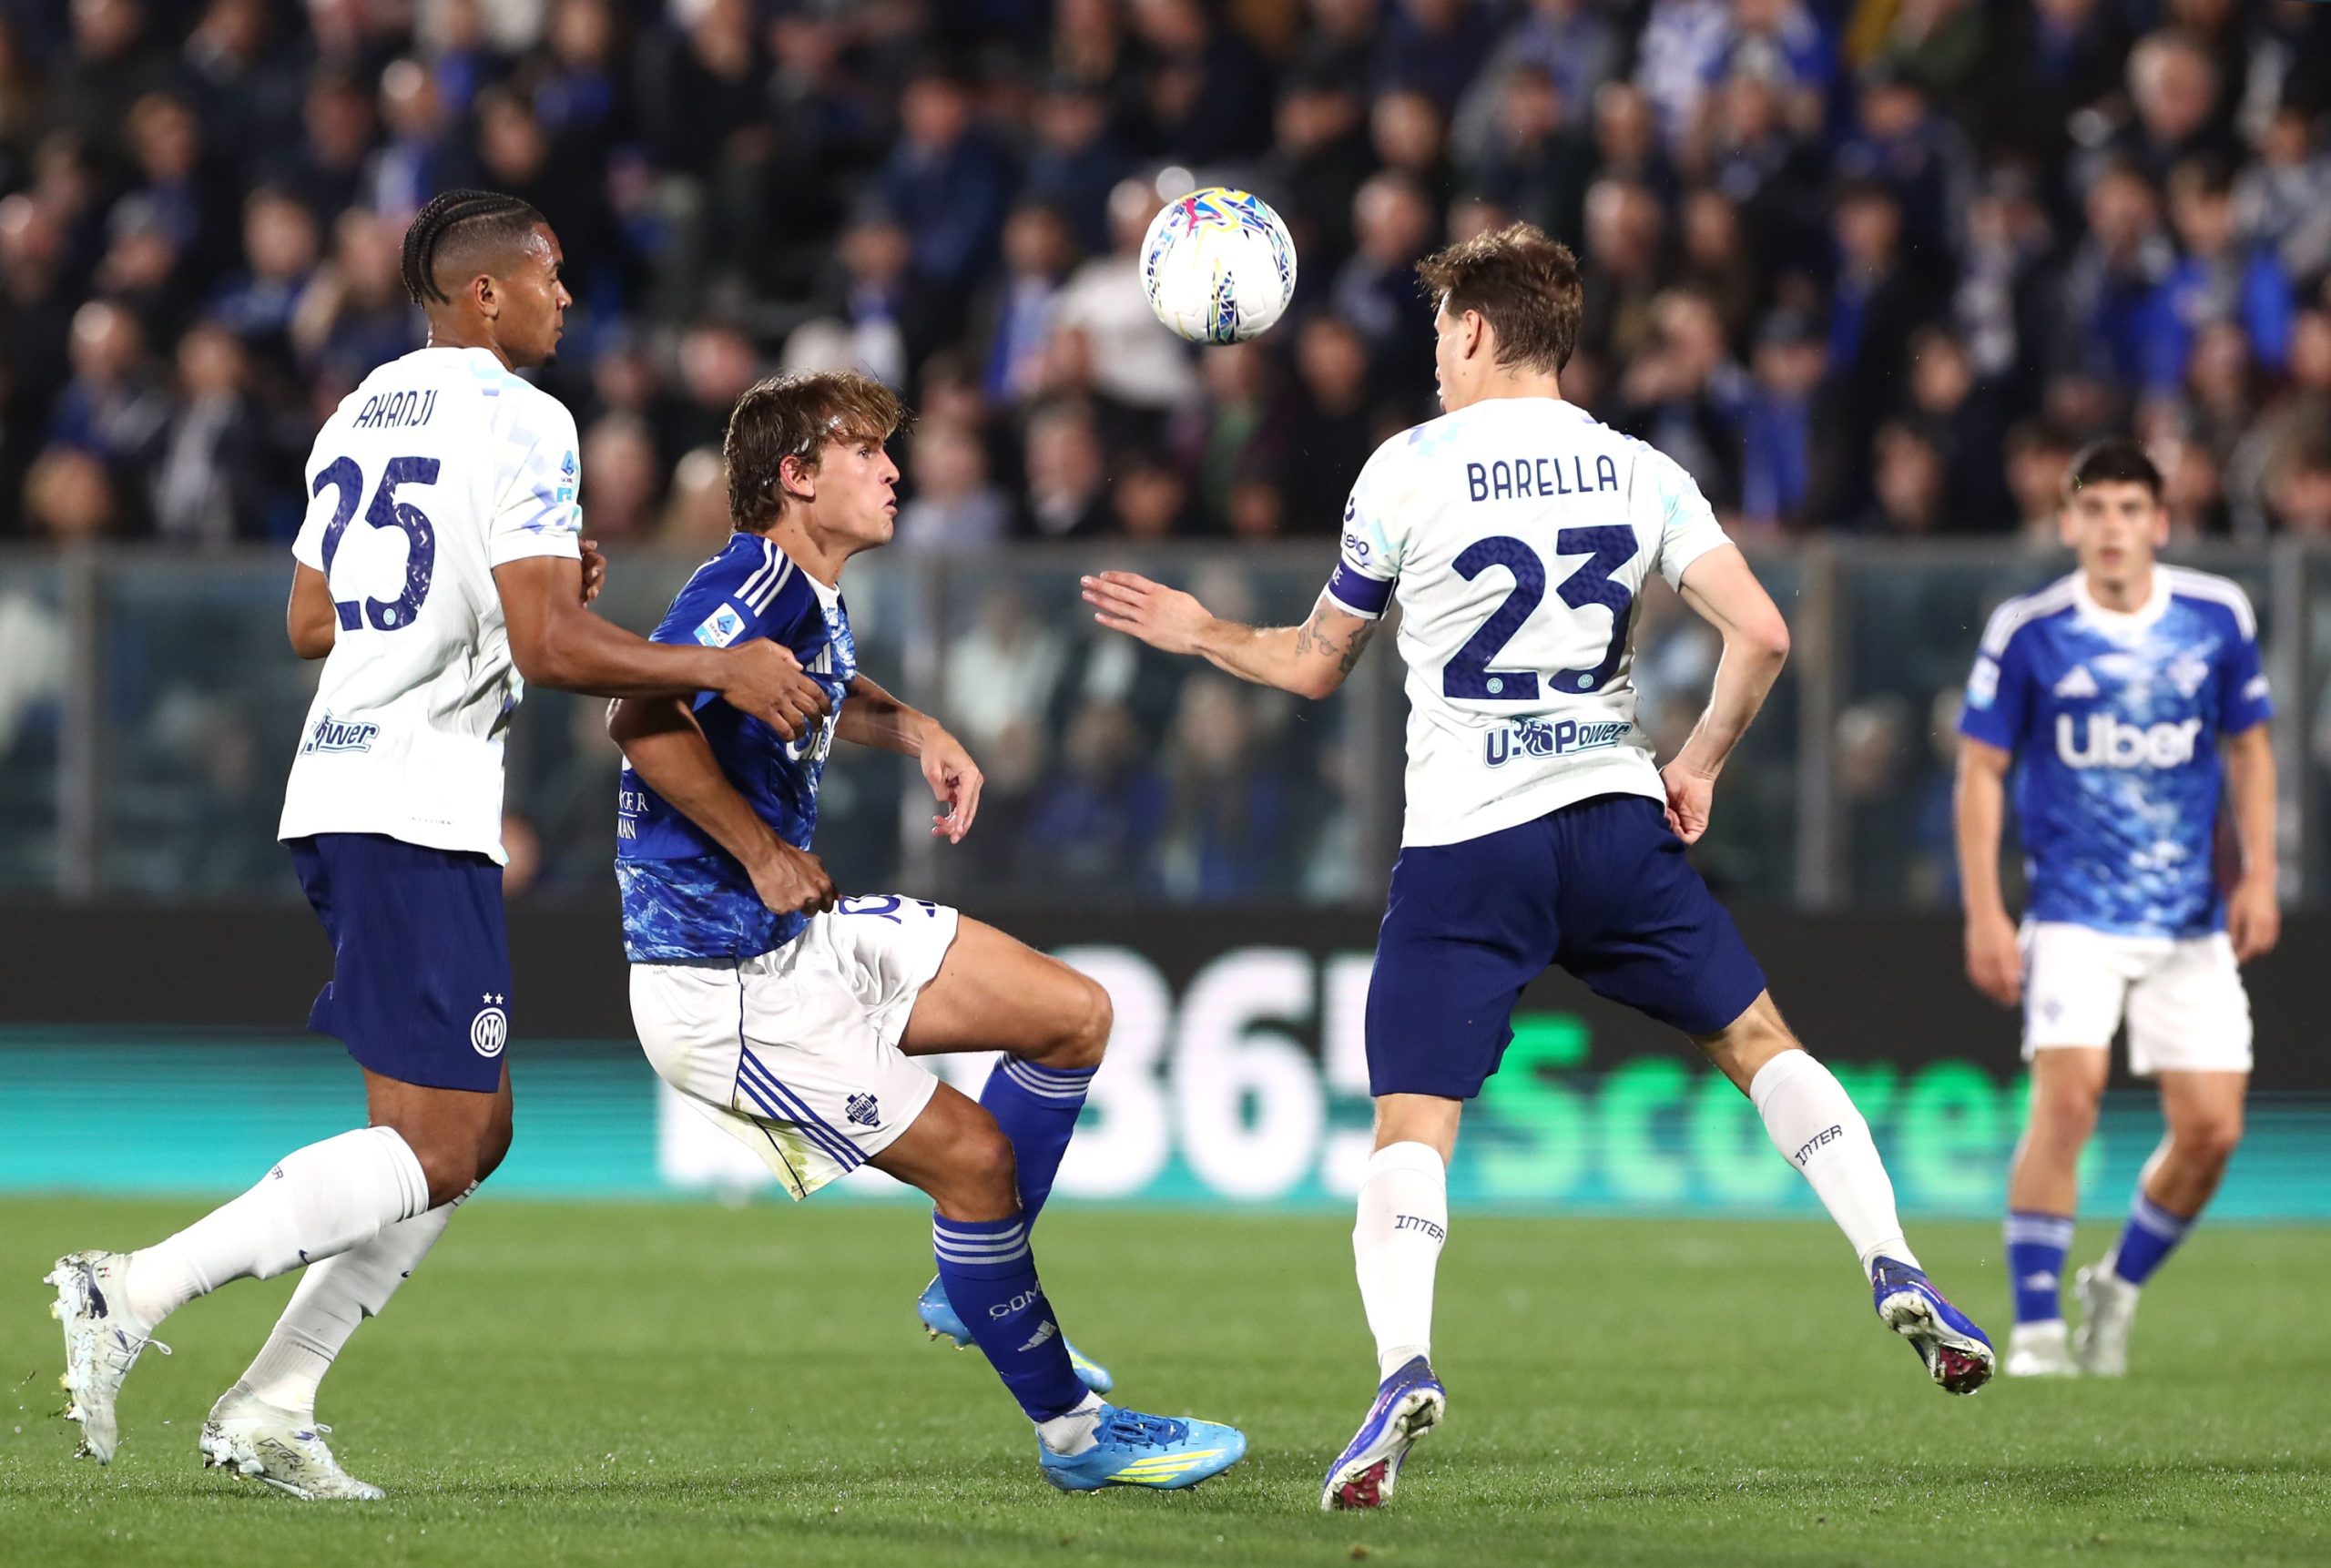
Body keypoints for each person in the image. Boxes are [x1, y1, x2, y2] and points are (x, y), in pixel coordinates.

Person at [1082, 221, 1994, 1513]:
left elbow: (1309, 663)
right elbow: (1766, 632)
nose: (1433, 358)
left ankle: (1403, 1365)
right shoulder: (1642, 468)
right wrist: (1703, 763)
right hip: (1617, 819)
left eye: (1439, 333)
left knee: (1413, 1124)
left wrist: (1196, 629)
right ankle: (1892, 1258)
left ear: (1470, 330)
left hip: (1470, 843)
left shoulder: (1404, 469)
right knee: (1755, 1035)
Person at [47, 189, 830, 1499]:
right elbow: (548, 648)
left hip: (345, 783)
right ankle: (130, 1287)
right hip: (414, 798)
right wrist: (722, 666)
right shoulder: (527, 417)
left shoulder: (360, 406)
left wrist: (500, 584)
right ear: (485, 295)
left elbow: (316, 616)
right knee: (446, 1142)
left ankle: (274, 1402)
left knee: (468, 1131)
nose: (565, 298)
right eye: (550, 275)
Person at [606, 370, 1247, 1494]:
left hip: (794, 938)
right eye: (864, 453)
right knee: (977, 1163)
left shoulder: (803, 591)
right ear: (796, 479)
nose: (894, 469)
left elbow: (812, 689)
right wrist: (758, 851)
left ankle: (970, 1281)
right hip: (723, 984)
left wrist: (917, 730)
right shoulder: (749, 579)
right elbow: (639, 714)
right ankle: (1076, 1436)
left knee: (1073, 1015)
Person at [1953, 438, 2276, 1380]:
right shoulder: (2029, 629)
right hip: (2073, 913)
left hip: (2188, 919)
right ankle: (2038, 1333)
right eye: (2092, 510)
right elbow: (1980, 769)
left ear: (2160, 524)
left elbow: (2250, 748)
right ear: (2066, 524)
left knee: (2213, 1129)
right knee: (2069, 1097)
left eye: (2130, 511)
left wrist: (2257, 873)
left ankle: (2116, 1286)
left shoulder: (2216, 617)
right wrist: (1983, 909)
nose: (2111, 529)